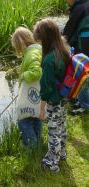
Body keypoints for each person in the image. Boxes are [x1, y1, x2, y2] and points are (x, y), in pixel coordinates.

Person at [33, 18, 71, 172]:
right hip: (63, 97)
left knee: (53, 131)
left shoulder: (49, 60)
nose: (40, 43)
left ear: (46, 39)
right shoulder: (63, 50)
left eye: (41, 40)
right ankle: (62, 153)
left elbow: (46, 88)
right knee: (61, 127)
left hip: (54, 101)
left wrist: (42, 109)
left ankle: (52, 163)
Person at [11, 26, 42, 147]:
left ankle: (32, 147)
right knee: (35, 117)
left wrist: (24, 75)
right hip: (37, 92)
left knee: (24, 120)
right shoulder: (37, 49)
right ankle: (38, 144)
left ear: (21, 43)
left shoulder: (32, 53)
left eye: (17, 47)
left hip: (30, 94)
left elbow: (36, 72)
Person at [63, 0, 89, 114]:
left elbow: (68, 31)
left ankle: (85, 105)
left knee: (83, 72)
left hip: (84, 43)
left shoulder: (79, 9)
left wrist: (62, 42)